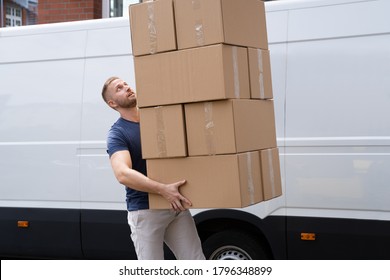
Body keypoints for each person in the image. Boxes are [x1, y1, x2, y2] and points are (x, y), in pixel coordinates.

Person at [101, 76, 205, 260]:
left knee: (196, 261)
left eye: (125, 84)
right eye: (119, 88)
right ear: (112, 103)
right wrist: (163, 190)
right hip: (145, 211)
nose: (126, 88)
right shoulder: (118, 133)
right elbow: (122, 174)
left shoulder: (157, 120)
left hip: (175, 205)